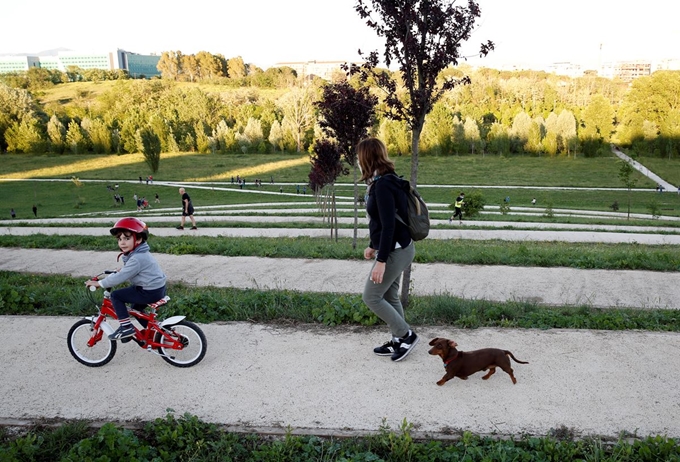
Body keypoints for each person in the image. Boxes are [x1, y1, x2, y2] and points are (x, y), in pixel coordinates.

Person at [358, 137, 418, 362]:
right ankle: (398, 340)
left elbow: (390, 226)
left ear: (366, 157)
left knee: (371, 296)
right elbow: (383, 222)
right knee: (390, 295)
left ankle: (406, 335)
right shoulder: (385, 179)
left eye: (358, 156)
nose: (357, 161)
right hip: (398, 247)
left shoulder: (383, 184)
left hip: (395, 250)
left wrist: (381, 260)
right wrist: (373, 246)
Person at [85, 218, 167, 341]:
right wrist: (121, 271)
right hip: (155, 288)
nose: (122, 242)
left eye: (127, 238)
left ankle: (126, 327)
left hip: (149, 291)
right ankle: (156, 331)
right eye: (120, 239)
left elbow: (122, 276)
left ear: (138, 239)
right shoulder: (138, 254)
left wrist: (99, 283)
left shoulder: (137, 258)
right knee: (136, 309)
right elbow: (128, 271)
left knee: (116, 296)